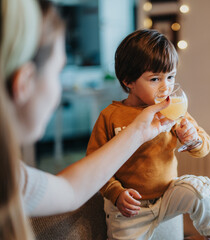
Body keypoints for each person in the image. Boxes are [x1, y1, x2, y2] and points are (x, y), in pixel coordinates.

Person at [0, 1, 175, 239]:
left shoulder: (12, 178)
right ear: (24, 83)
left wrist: (139, 131)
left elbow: (71, 190)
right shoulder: (108, 116)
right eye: (57, 72)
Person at [86, 29, 210, 240]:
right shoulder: (110, 116)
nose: (166, 87)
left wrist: (193, 138)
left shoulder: (174, 109)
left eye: (171, 76)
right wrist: (116, 192)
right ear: (128, 81)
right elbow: (94, 164)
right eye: (155, 79)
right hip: (131, 207)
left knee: (198, 190)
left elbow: (204, 147)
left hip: (168, 195)